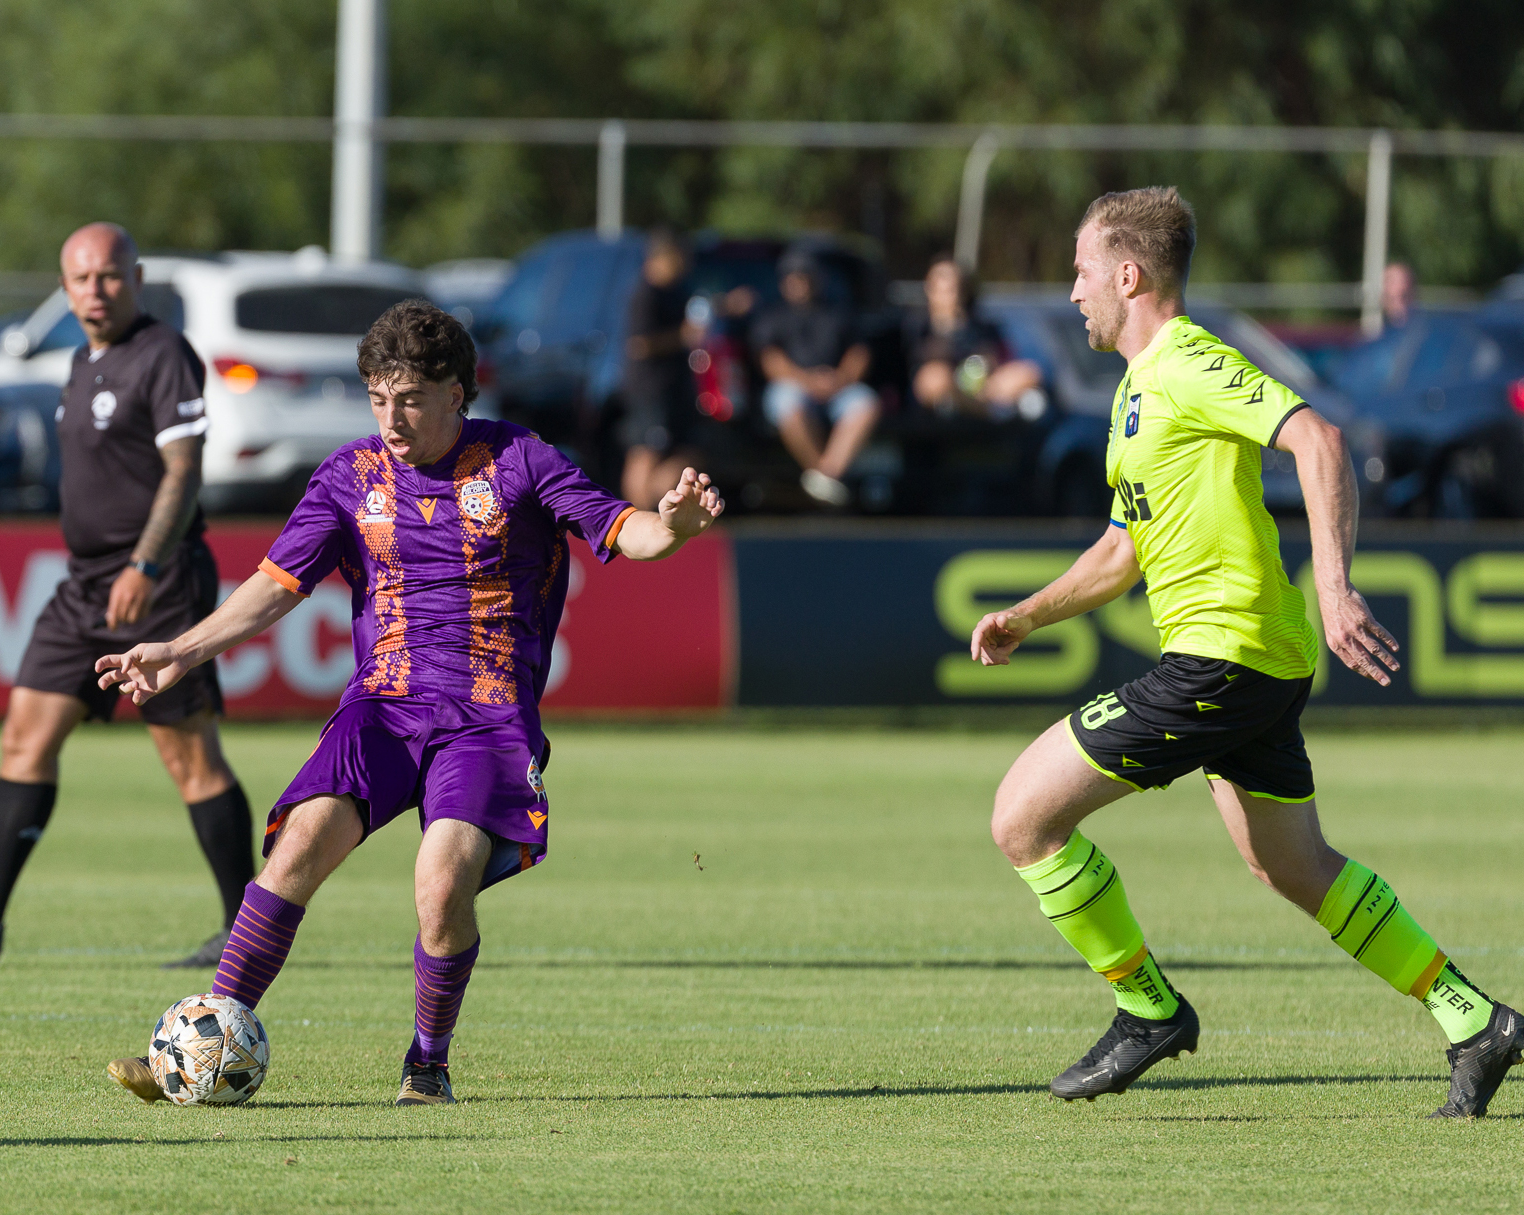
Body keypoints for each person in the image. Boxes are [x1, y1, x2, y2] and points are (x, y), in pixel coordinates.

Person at [968, 188, 1524, 1118]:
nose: (1070, 292)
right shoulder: (1134, 391)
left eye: (1078, 271)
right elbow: (1122, 550)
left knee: (1021, 817)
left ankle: (1147, 1010)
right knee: (1294, 867)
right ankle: (1475, 1019)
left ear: (1128, 273)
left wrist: (1337, 584)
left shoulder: (1188, 361)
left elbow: (1319, 439)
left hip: (1221, 658)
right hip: (1253, 662)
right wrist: (1031, 613)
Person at [95, 300, 723, 1106]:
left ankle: (428, 1059)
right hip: (384, 707)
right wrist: (180, 651)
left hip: (489, 718)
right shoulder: (349, 477)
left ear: (458, 392)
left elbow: (620, 528)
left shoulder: (520, 459)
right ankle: (203, 1039)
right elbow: (274, 586)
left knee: (439, 884)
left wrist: (671, 528)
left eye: (412, 399)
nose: (392, 417)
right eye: (378, 398)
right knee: (298, 846)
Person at [0, 223, 252, 970]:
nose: (93, 291)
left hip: (158, 583)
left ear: (135, 277)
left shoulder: (163, 354)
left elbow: (183, 471)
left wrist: (144, 565)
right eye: (79, 279)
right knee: (25, 736)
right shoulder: (83, 362)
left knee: (190, 760)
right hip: (83, 586)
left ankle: (249, 928)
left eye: (108, 276)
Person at [751, 249, 878, 507]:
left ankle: (826, 475)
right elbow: (771, 361)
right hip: (795, 387)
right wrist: (808, 381)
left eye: (805, 277)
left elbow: (859, 352)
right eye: (793, 278)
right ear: (783, 282)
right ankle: (824, 478)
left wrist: (840, 379)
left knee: (866, 403)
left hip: (837, 387)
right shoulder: (773, 315)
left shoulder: (837, 311)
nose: (799, 283)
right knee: (788, 404)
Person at [620, 228, 704, 507]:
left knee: (686, 454)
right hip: (650, 389)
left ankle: (654, 511)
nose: (685, 265)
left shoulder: (676, 292)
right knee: (646, 453)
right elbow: (640, 344)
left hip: (673, 389)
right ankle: (639, 519)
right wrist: (681, 336)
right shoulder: (646, 295)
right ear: (661, 258)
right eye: (679, 258)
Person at [902, 255, 1044, 418]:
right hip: (944, 393)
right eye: (943, 289)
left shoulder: (983, 328)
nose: (952, 296)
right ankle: (985, 411)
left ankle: (981, 408)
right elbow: (920, 374)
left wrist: (990, 362)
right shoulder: (917, 327)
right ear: (929, 289)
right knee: (934, 378)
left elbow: (1000, 360)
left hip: (985, 388)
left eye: (955, 288)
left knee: (1028, 372)